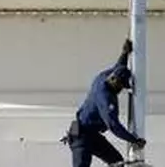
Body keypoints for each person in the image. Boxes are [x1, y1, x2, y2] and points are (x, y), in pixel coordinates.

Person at [61, 38, 147, 167]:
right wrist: (134, 140)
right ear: (117, 83)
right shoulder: (105, 98)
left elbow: (119, 67)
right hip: (81, 137)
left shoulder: (103, 76)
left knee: (117, 161)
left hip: (92, 134)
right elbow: (113, 125)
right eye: (121, 86)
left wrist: (124, 53)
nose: (120, 90)